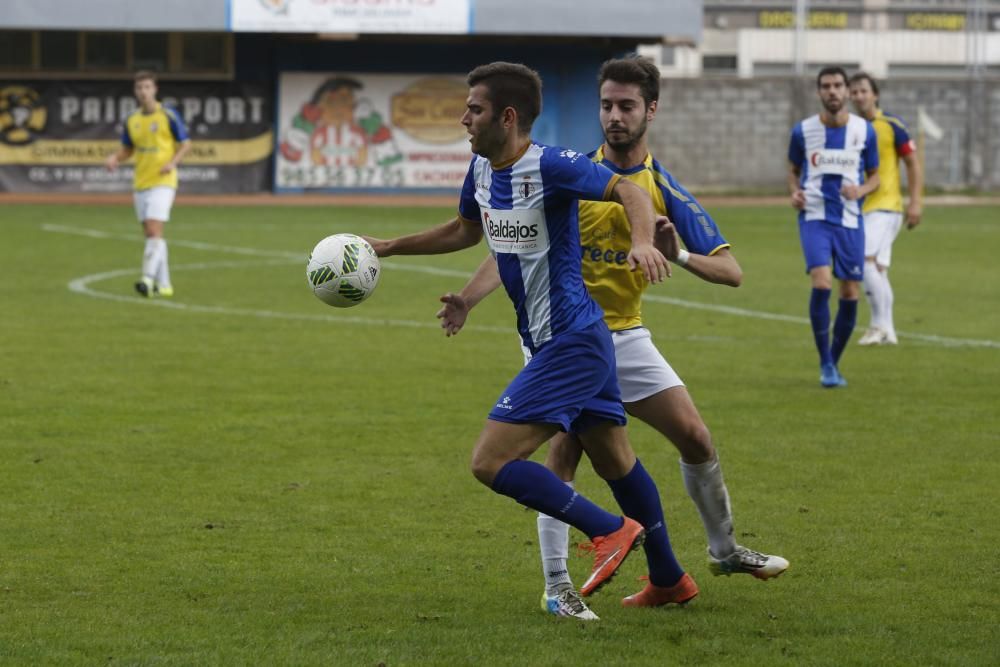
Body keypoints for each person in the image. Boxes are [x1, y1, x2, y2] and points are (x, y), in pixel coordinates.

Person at [436, 56, 788, 621]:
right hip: (568, 336)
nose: (614, 117)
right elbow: (512, 240)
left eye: (626, 106)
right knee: (564, 458)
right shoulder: (573, 171)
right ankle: (561, 584)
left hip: (622, 336)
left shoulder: (657, 186)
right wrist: (470, 299)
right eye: (606, 105)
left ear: (651, 110)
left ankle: (713, 554)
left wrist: (675, 253)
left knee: (691, 439)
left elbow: (732, 272)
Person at [364, 62, 695, 621]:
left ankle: (609, 531)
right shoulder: (481, 167)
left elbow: (629, 192)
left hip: (573, 341)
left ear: (507, 117)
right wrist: (395, 250)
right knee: (616, 461)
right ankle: (668, 577)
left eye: (474, 109)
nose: (463, 118)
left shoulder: (553, 166)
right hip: (558, 341)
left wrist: (643, 241)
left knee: (490, 462)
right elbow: (467, 230)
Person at [788, 66, 880, 387]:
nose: (833, 91)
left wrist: (861, 191)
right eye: (826, 86)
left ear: (846, 91)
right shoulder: (802, 131)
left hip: (850, 220)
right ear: (819, 92)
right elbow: (793, 169)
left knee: (850, 290)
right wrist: (794, 193)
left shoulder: (864, 131)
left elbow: (875, 177)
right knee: (822, 283)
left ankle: (834, 363)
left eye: (838, 85)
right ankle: (826, 363)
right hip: (814, 216)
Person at [848, 72, 922, 346]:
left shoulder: (891, 124)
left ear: (875, 94)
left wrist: (915, 201)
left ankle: (877, 325)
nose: (858, 96)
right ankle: (888, 331)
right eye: (854, 92)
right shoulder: (851, 126)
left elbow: (912, 163)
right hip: (860, 207)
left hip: (887, 206)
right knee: (877, 269)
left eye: (863, 91)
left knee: (863, 260)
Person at [105, 70, 191, 298]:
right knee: (152, 235)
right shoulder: (132, 119)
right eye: (139, 88)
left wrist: (172, 163)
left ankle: (146, 279)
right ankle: (165, 285)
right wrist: (115, 158)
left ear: (155, 89)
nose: (143, 92)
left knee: (154, 229)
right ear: (135, 91)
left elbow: (185, 144)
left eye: (147, 87)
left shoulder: (168, 116)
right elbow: (128, 149)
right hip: (141, 181)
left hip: (163, 181)